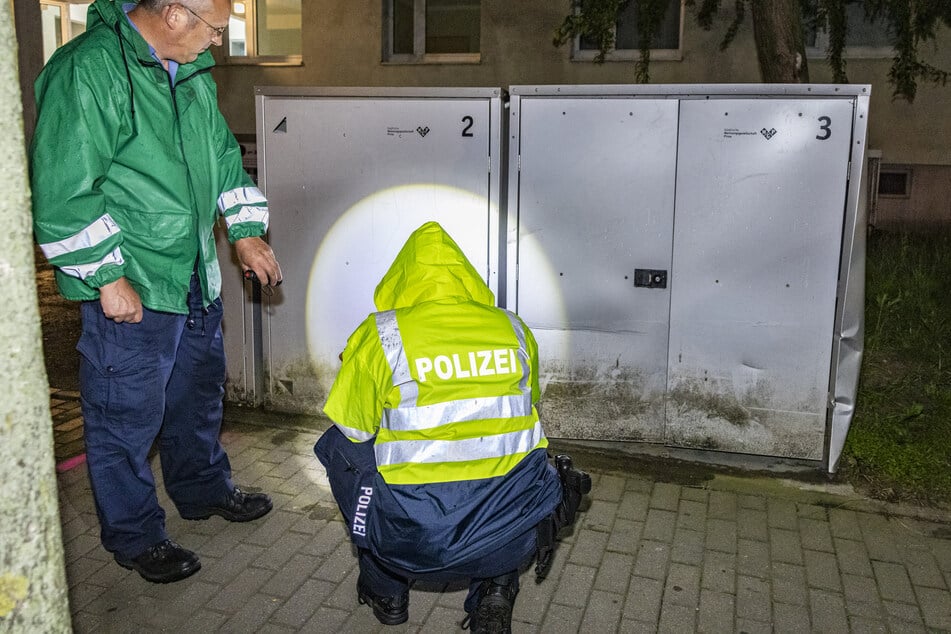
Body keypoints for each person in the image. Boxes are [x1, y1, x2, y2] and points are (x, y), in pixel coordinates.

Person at [30, 0, 282, 584]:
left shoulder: (188, 71)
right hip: (135, 281)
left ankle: (201, 490)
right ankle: (136, 536)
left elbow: (221, 159)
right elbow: (64, 190)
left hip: (193, 273)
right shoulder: (88, 69)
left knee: (196, 397)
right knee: (124, 419)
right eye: (216, 30)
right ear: (174, 14)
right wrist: (106, 278)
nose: (218, 43)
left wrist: (244, 234)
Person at [314, 222, 591, 632]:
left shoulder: (382, 335)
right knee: (522, 456)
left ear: (401, 277)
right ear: (467, 278)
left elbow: (355, 429)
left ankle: (386, 588)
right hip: (509, 539)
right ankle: (495, 592)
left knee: (337, 446)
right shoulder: (513, 327)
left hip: (410, 543)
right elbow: (525, 405)